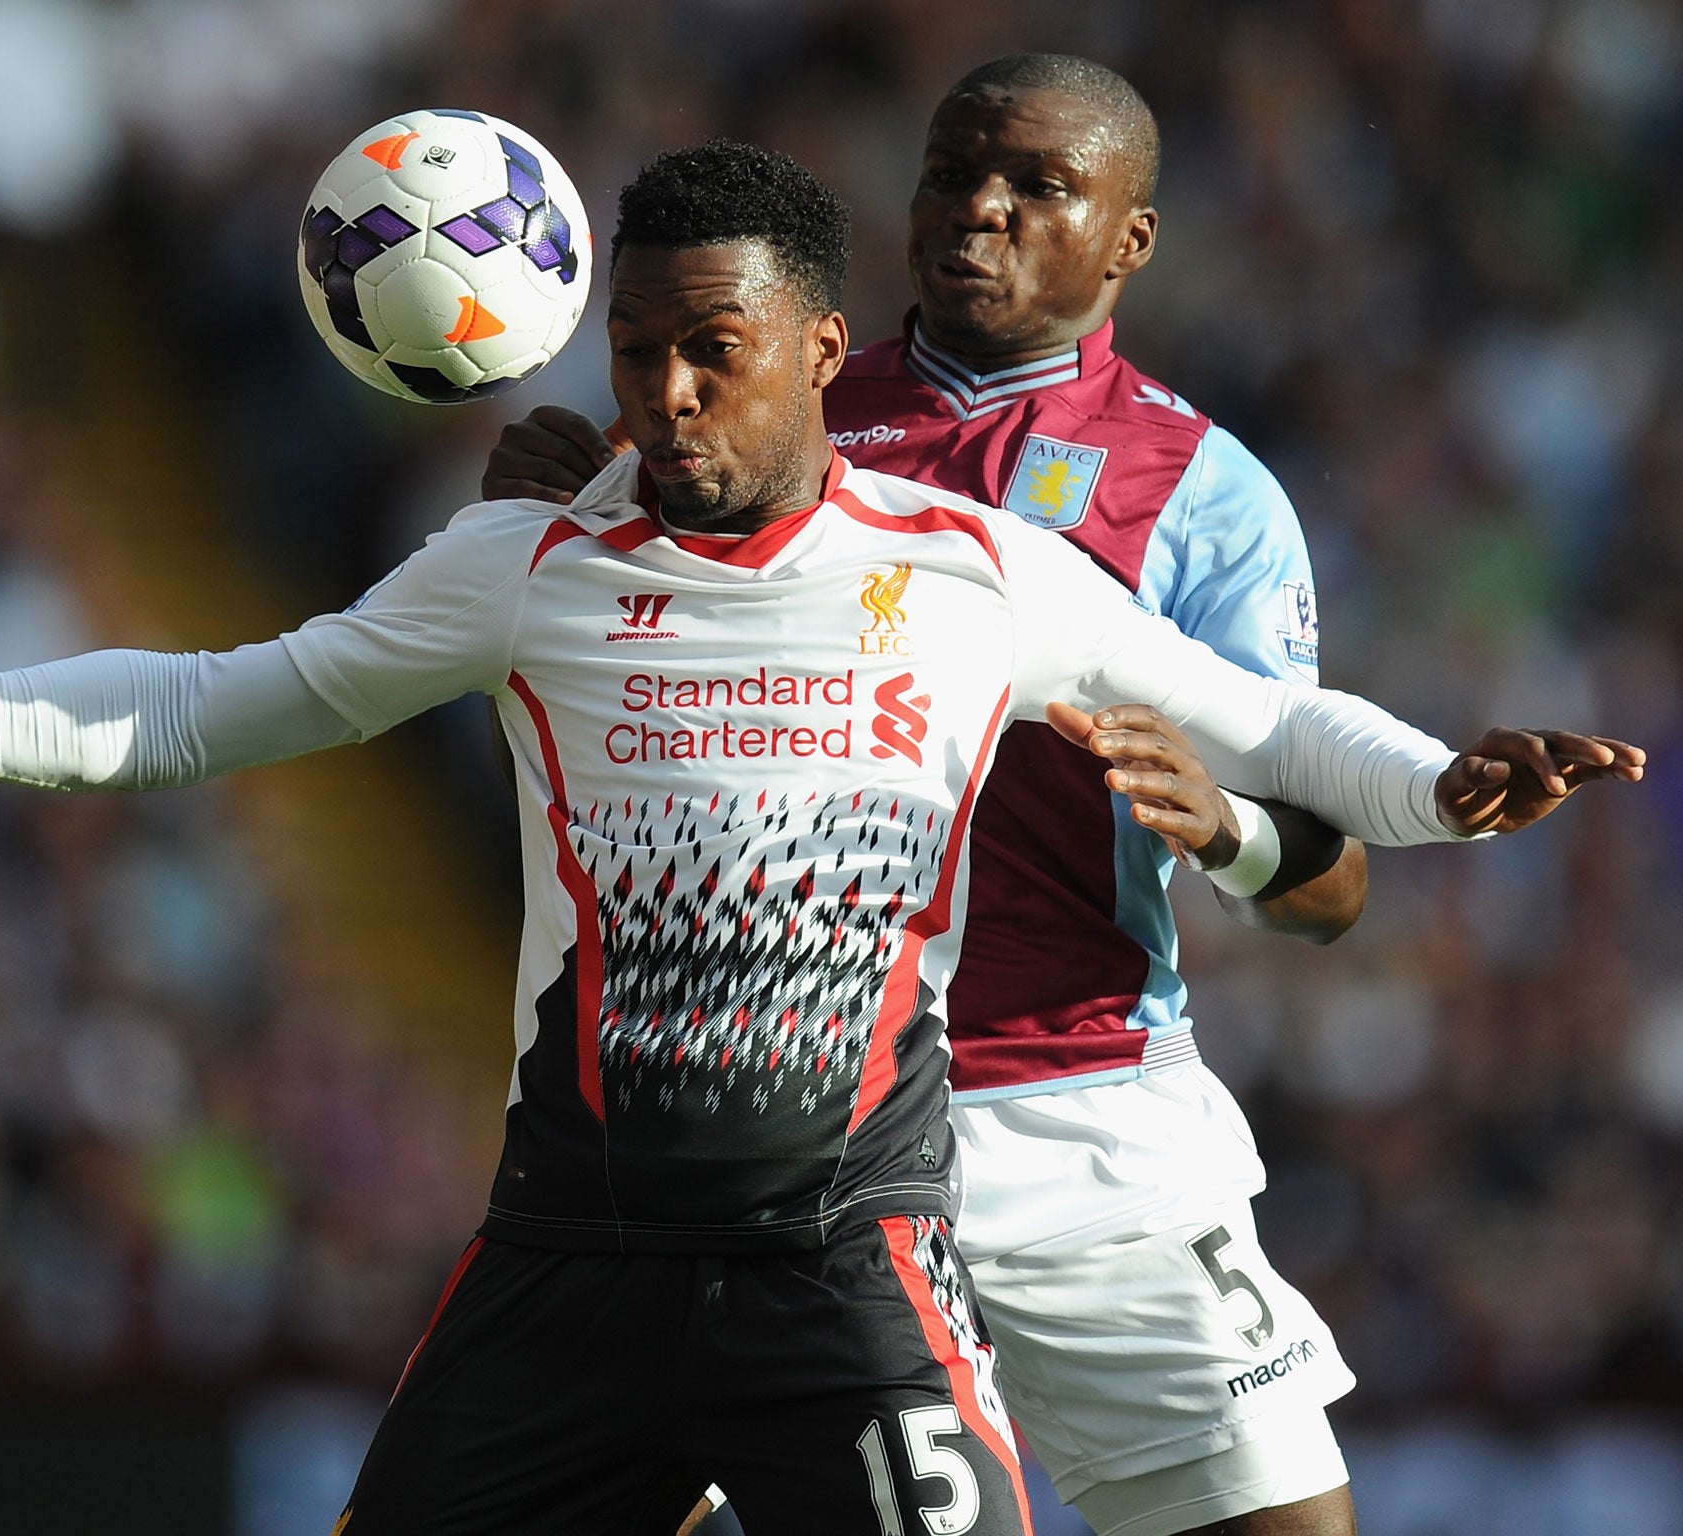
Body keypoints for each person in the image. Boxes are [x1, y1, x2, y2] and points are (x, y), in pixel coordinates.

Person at [0, 139, 1642, 1535]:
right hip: (563, 1274)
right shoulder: (524, 565)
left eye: (718, 354)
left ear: (819, 354)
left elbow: (1266, 721)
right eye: (639, 358)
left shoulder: (977, 574)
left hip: (843, 1263)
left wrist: (1439, 787)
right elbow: (202, 704)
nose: (670, 398)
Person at [477, 55, 1548, 1536]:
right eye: (950, 175)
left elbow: (1329, 892)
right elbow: (578, 719)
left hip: (1077, 1111)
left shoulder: (1201, 490)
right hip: (787, 1118)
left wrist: (1228, 829)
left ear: (1130, 239)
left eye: (1037, 187)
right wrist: (542, 535)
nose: (979, 210)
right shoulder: (749, 400)